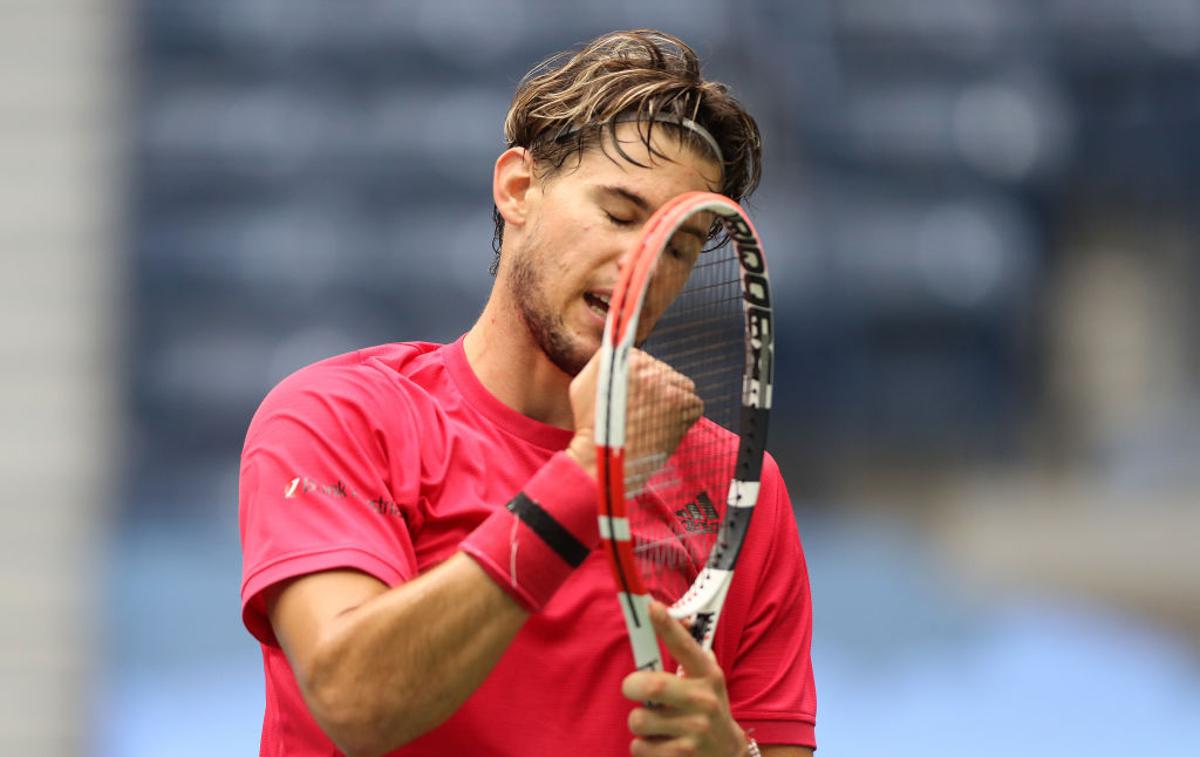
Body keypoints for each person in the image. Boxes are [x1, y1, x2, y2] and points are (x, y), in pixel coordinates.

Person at [239, 29, 816, 757]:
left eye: (678, 246)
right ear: (518, 188)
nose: (642, 264)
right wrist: (587, 474)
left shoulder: (742, 489)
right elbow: (355, 700)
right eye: (619, 213)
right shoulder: (340, 416)